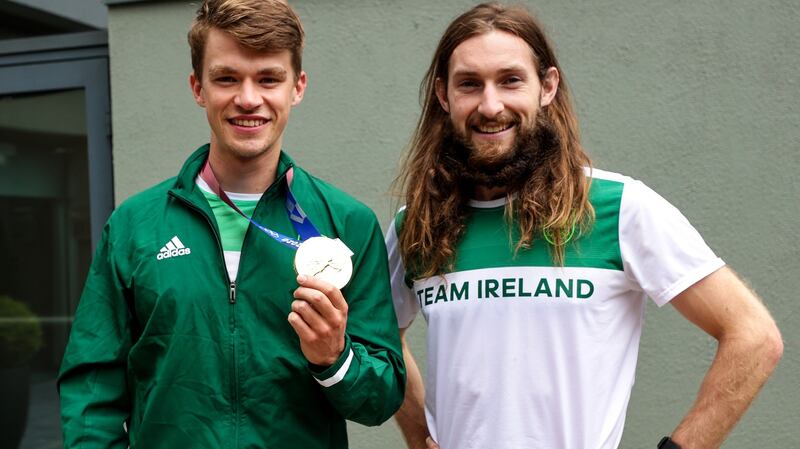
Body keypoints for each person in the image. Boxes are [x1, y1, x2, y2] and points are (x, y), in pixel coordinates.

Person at [387, 3, 783, 449]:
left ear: (547, 86)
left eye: (511, 80)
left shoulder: (620, 208)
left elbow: (754, 337)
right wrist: (421, 436)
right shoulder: (417, 225)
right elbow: (382, 341)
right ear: (444, 96)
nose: (491, 105)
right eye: (469, 84)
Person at [58, 1, 405, 448]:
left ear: (297, 87)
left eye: (268, 79)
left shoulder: (346, 224)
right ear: (197, 88)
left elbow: (381, 399)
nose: (248, 98)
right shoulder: (134, 225)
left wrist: (335, 358)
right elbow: (91, 390)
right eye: (226, 78)